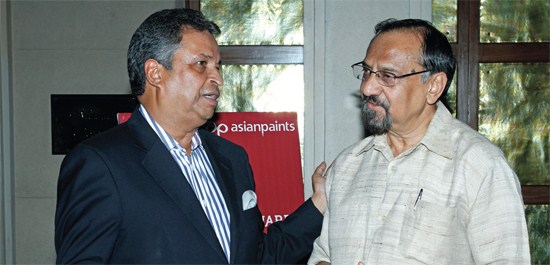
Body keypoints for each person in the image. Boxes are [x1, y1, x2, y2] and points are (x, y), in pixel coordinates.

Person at [55, 8, 327, 264]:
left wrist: (319, 204)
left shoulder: (231, 158)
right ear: (155, 73)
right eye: (201, 64)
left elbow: (257, 256)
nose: (218, 79)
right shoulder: (101, 164)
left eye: (217, 66)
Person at [308, 18, 530, 264]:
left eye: (388, 76)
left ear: (434, 86)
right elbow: (322, 256)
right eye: (367, 72)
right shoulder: (348, 165)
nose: (368, 87)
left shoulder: (480, 166)